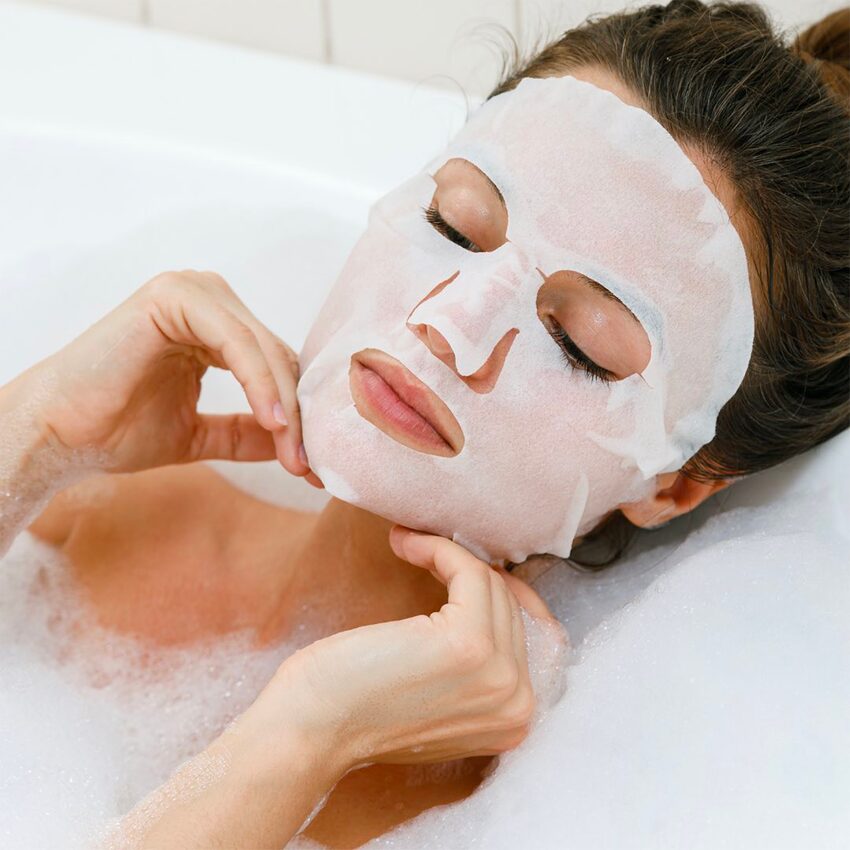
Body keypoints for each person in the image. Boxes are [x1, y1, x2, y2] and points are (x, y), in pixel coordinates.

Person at [1, 1, 847, 847]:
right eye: (456, 225)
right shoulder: (93, 519)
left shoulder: (534, 813)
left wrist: (310, 733)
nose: (452, 323)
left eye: (579, 343)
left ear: (676, 483)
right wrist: (38, 435)